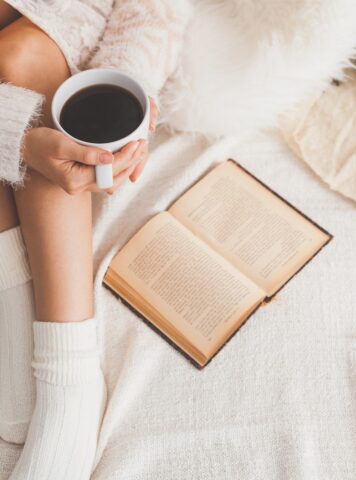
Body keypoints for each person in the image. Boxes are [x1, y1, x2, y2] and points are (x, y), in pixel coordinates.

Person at [0, 1, 191, 478]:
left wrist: (124, 98)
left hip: (63, 28)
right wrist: (17, 139)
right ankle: (52, 387)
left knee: (20, 61)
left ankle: (70, 377)